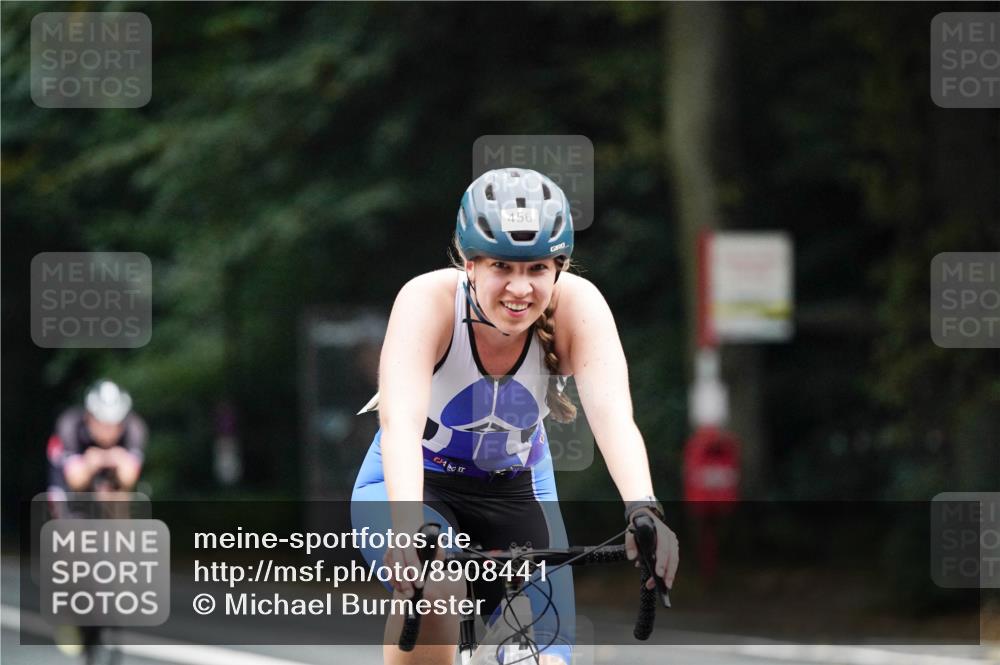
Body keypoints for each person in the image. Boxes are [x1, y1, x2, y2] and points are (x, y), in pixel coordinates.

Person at [351, 168, 679, 665]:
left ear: (559, 267)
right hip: (414, 483)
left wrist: (644, 510)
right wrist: (405, 526)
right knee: (436, 589)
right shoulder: (427, 302)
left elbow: (613, 416)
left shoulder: (579, 307)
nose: (520, 289)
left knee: (544, 659)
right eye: (502, 265)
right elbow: (399, 424)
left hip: (518, 489)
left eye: (537, 269)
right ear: (469, 262)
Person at [46, 379, 147, 505]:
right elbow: (75, 480)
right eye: (102, 423)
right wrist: (90, 464)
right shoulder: (70, 426)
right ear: (89, 417)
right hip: (69, 498)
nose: (108, 431)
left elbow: (129, 479)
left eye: (114, 424)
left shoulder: (134, 428)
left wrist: (113, 461)